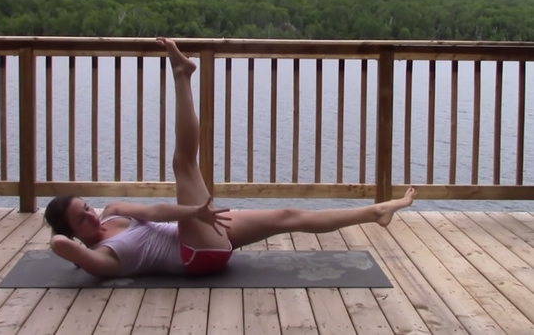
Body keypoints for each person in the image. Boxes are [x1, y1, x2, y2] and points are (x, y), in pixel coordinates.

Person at [45, 37, 417, 279]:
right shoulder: (104, 258)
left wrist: (194, 214)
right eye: (82, 218)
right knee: (183, 165)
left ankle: (376, 211)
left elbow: (156, 212)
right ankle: (182, 75)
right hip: (197, 252)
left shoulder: (112, 211)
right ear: (72, 232)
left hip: (198, 227)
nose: (93, 214)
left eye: (87, 207)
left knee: (289, 216)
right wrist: (69, 244)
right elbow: (59, 246)